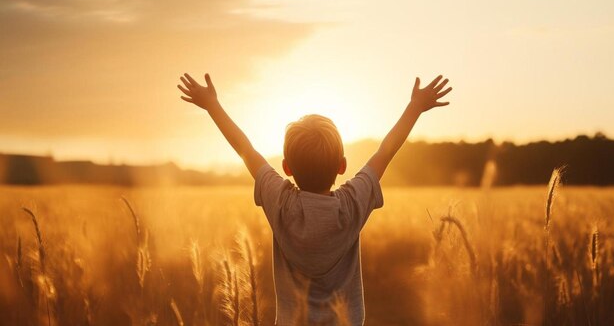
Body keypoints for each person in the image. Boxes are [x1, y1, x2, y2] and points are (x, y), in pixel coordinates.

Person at [177, 73, 452, 325]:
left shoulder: (281, 204)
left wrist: (212, 105)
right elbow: (385, 152)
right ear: (342, 165)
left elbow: (245, 149)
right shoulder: (351, 205)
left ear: (286, 168)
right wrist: (415, 106)